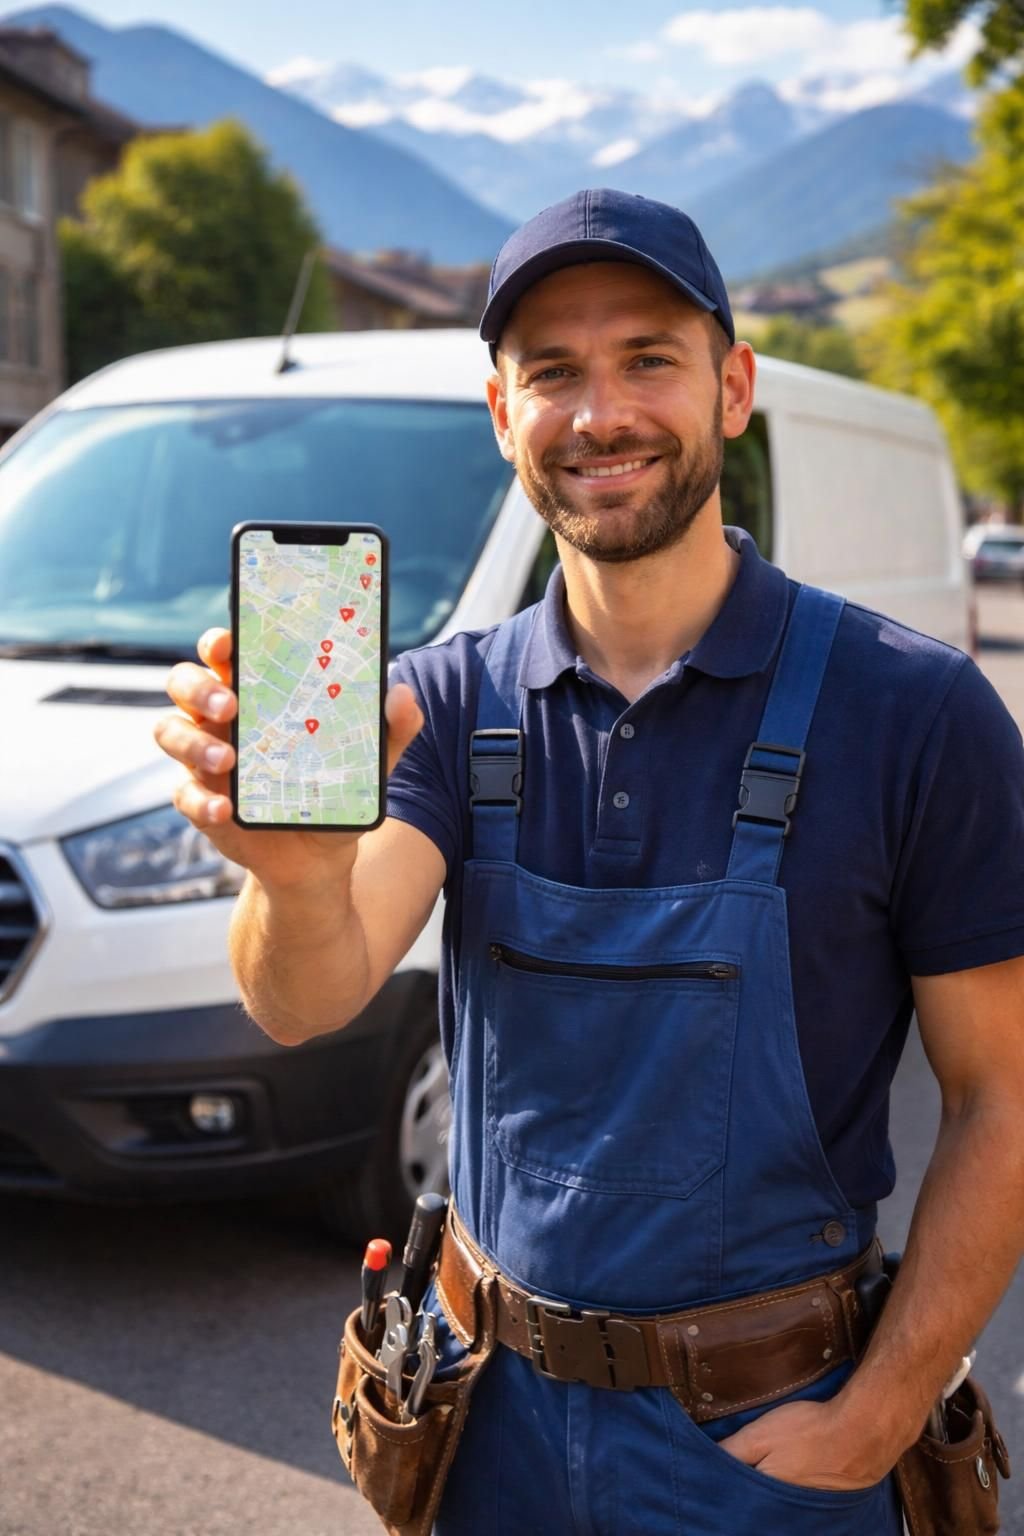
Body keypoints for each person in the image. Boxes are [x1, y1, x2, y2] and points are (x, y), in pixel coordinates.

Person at [156, 188, 1024, 1535]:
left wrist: (881, 1414)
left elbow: (1002, 1097)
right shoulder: (436, 707)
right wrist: (296, 877)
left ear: (733, 388)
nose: (599, 412)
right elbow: (304, 999)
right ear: (504, 416)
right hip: (479, 1428)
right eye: (552, 372)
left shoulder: (915, 713)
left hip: (771, 1456)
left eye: (649, 361)